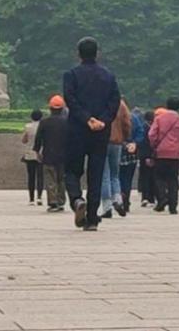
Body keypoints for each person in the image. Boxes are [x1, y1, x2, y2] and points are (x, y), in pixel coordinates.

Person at [63, 37, 121, 231]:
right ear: (98, 53)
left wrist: (87, 119)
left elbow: (70, 100)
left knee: (72, 170)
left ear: (78, 53)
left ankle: (77, 199)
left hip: (78, 130)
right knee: (96, 174)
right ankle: (92, 219)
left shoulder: (71, 75)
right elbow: (115, 101)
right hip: (100, 133)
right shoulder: (109, 76)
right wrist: (102, 120)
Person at [147, 98, 179, 214]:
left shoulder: (159, 119)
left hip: (161, 153)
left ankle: (162, 199)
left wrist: (155, 145)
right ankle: (173, 207)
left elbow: (151, 134)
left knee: (159, 177)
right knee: (173, 180)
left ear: (167, 106)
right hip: (175, 155)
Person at [34, 95, 69, 212]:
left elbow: (38, 138)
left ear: (50, 108)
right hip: (64, 155)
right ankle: (61, 201)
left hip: (49, 154)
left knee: (50, 178)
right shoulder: (67, 122)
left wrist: (37, 151)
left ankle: (53, 201)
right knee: (61, 179)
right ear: (62, 108)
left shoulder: (44, 122)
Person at [100, 99, 132, 218]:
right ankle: (118, 201)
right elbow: (127, 123)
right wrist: (125, 137)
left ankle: (107, 206)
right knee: (115, 174)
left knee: (104, 175)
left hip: (102, 142)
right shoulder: (121, 104)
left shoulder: (98, 100)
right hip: (117, 142)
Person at [119, 108, 145, 214]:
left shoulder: (112, 116)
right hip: (132, 152)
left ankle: (120, 198)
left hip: (118, 150)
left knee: (116, 177)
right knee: (128, 179)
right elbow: (141, 132)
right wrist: (135, 143)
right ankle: (126, 199)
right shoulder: (133, 118)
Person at [21, 109, 44, 206]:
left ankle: (31, 199)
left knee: (31, 177)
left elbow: (24, 140)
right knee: (40, 177)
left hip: (30, 153)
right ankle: (39, 197)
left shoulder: (28, 127)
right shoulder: (43, 126)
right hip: (41, 153)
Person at [138, 109, 156, 207]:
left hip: (144, 155)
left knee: (146, 177)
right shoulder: (150, 129)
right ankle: (149, 198)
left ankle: (146, 197)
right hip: (148, 155)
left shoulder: (143, 127)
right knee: (149, 177)